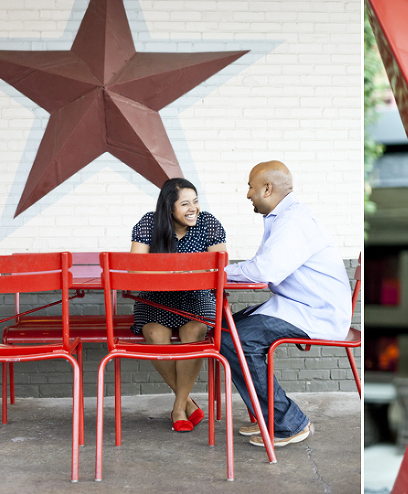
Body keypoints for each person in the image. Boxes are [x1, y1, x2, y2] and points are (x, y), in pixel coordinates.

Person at [221, 160, 351, 447]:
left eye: (250, 188)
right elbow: (265, 268)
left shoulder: (292, 221)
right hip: (300, 305)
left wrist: (218, 272)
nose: (247, 195)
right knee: (224, 331)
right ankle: (266, 414)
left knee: (236, 340)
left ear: (267, 189)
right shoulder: (287, 218)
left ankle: (288, 423)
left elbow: (265, 271)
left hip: (315, 313)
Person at [130, 177, 227, 433]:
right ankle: (187, 403)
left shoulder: (209, 224)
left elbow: (219, 268)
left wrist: (175, 274)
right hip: (156, 298)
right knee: (153, 332)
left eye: (195, 201)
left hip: (197, 297)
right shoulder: (148, 224)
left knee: (194, 331)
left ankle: (178, 407)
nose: (193, 208)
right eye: (185, 203)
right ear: (169, 208)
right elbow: (136, 271)